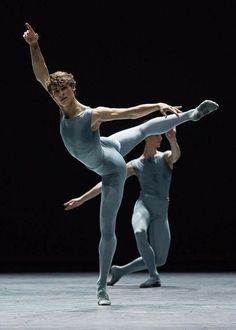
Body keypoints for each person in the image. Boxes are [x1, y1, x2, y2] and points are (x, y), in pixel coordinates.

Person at [23, 22, 219, 306]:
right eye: (56, 93)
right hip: (108, 145)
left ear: (73, 88)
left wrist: (156, 104)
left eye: (65, 91)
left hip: (111, 168)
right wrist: (33, 45)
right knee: (142, 132)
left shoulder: (93, 115)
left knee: (107, 229)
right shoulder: (57, 102)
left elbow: (128, 113)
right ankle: (189, 115)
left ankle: (101, 288)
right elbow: (41, 73)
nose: (61, 96)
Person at [64, 128, 180, 289]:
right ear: (146, 138)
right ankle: (154, 276)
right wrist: (82, 199)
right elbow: (107, 182)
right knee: (139, 231)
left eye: (161, 135)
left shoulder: (165, 157)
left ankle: (120, 271)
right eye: (157, 134)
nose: (160, 138)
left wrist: (173, 140)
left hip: (161, 210)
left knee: (160, 259)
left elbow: (176, 156)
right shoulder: (135, 164)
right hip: (143, 206)